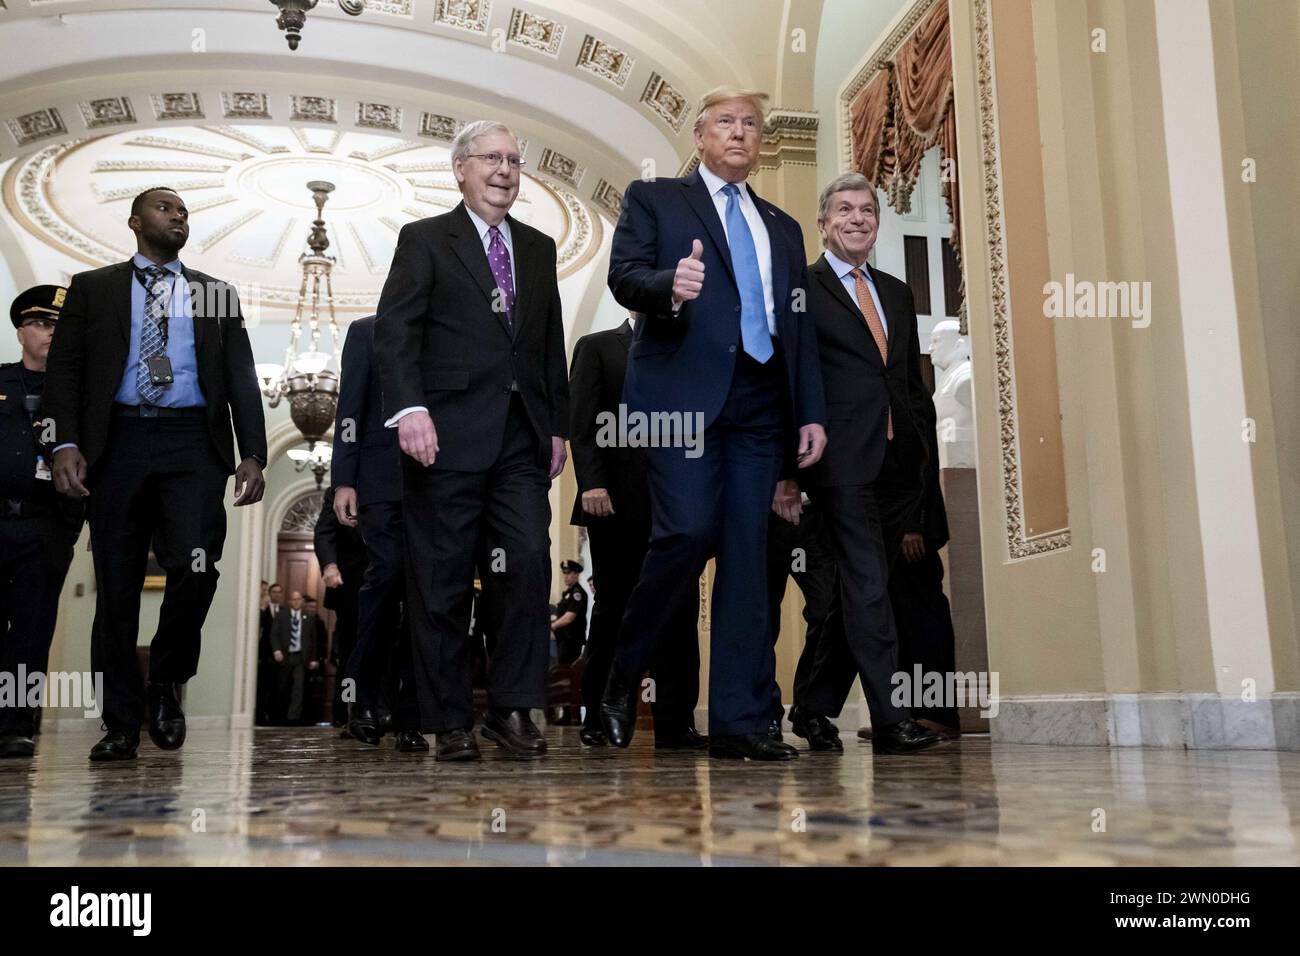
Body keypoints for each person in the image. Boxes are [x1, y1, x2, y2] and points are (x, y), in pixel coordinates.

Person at [599, 87, 826, 761]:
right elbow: (623, 275)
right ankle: (619, 677)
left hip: (760, 407)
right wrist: (669, 284)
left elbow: (799, 329)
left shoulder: (783, 228)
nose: (740, 133)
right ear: (699, 137)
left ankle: (742, 721)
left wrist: (808, 414)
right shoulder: (656, 201)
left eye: (751, 124)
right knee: (686, 533)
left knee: (749, 560)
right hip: (678, 402)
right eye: (725, 122)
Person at [45, 186, 267, 762]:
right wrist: (64, 443)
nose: (178, 217)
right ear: (135, 220)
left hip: (193, 443)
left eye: (184, 211)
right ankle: (118, 722)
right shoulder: (94, 289)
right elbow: (65, 372)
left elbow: (241, 376)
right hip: (116, 442)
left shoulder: (215, 294)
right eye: (165, 208)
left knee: (195, 568)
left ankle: (166, 683)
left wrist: (254, 453)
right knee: (115, 586)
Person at [374, 120, 569, 762]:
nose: (505, 170)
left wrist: (559, 426)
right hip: (444, 436)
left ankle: (511, 709)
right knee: (443, 580)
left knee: (525, 566)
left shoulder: (538, 249)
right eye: (491, 158)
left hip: (520, 442)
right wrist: (409, 408)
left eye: (515, 160)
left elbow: (547, 347)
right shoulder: (425, 240)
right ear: (460, 168)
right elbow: (395, 332)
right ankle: (449, 718)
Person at [798, 172, 942, 755]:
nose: (857, 219)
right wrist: (791, 469)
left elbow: (908, 383)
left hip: (896, 463)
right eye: (844, 210)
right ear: (823, 222)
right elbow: (792, 379)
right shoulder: (801, 288)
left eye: (867, 210)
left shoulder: (897, 292)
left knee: (855, 592)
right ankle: (890, 718)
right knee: (867, 587)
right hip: (837, 462)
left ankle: (810, 706)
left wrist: (922, 460)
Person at [568, 313, 705, 749]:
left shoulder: (686, 347)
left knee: (680, 609)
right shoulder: (598, 346)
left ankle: (676, 722)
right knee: (614, 607)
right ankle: (595, 714)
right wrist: (591, 482)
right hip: (614, 501)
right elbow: (583, 425)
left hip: (676, 504)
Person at [329, 315, 423, 750]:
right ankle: (362, 701)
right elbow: (349, 408)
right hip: (380, 478)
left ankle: (411, 713)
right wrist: (344, 480)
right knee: (384, 581)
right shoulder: (365, 330)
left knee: (426, 595)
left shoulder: (448, 324)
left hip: (439, 478)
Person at [0, 286, 85, 758]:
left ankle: (16, 724)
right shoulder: (1, 380)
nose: (51, 333)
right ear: (21, 332)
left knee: (31, 632)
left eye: (60, 326)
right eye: (41, 324)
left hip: (46, 525)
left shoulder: (80, 393)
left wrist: (72, 528)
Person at [765, 488, 844, 751]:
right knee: (762, 621)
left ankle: (809, 709)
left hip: (816, 515)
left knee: (828, 613)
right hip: (763, 516)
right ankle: (765, 713)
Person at [314, 487, 367, 731]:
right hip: (350, 585)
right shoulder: (336, 493)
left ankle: (380, 711)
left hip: (386, 581)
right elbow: (324, 532)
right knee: (349, 652)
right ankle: (345, 714)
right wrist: (329, 565)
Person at [270, 590, 318, 724]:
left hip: (300, 658)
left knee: (298, 687)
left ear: (302, 602)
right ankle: (280, 716)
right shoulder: (281, 615)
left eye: (299, 599)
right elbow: (274, 634)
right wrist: (276, 650)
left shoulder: (308, 617)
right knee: (282, 687)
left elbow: (313, 640)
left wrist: (314, 658)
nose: (296, 602)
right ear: (290, 601)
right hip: (285, 656)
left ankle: (293, 717)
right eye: (293, 599)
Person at [551, 559, 588, 667]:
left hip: (571, 640)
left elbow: (569, 617)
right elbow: (562, 614)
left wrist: (552, 626)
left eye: (569, 573)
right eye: (564, 573)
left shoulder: (577, 593)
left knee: (567, 671)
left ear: (576, 574)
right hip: (564, 639)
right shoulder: (568, 593)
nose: (566, 576)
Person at [258, 582, 284, 725]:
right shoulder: (263, 610)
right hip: (265, 655)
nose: (276, 594)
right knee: (263, 687)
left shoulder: (285, 611)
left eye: (279, 592)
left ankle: (276, 717)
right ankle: (261, 717)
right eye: (274, 592)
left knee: (278, 688)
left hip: (281, 657)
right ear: (269, 593)